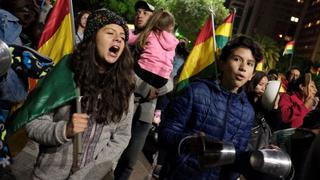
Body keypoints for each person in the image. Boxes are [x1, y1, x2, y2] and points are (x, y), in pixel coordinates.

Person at [13, 9, 135, 179]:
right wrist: (65, 130)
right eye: (110, 32)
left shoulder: (124, 86)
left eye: (123, 37)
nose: (118, 39)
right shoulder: (66, 74)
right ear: (92, 37)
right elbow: (33, 124)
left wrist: (88, 175)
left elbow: (121, 136)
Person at [158, 35, 263, 179]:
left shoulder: (248, 112)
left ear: (252, 74)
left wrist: (258, 158)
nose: (243, 68)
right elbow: (165, 134)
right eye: (237, 59)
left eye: (250, 64)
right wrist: (188, 142)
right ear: (222, 63)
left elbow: (237, 158)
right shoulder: (196, 91)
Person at [114, 1, 174, 180]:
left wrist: (159, 89)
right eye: (138, 11)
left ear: (155, 19)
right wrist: (146, 88)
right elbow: (120, 70)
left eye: (145, 13)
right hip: (121, 104)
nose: (139, 15)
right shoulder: (127, 39)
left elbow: (170, 80)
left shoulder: (160, 42)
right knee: (108, 154)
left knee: (129, 161)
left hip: (145, 113)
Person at [129, 9, 179, 88]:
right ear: (171, 26)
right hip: (163, 78)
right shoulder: (174, 41)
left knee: (128, 65)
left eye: (145, 13)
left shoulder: (150, 33)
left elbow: (131, 39)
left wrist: (126, 30)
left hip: (144, 71)